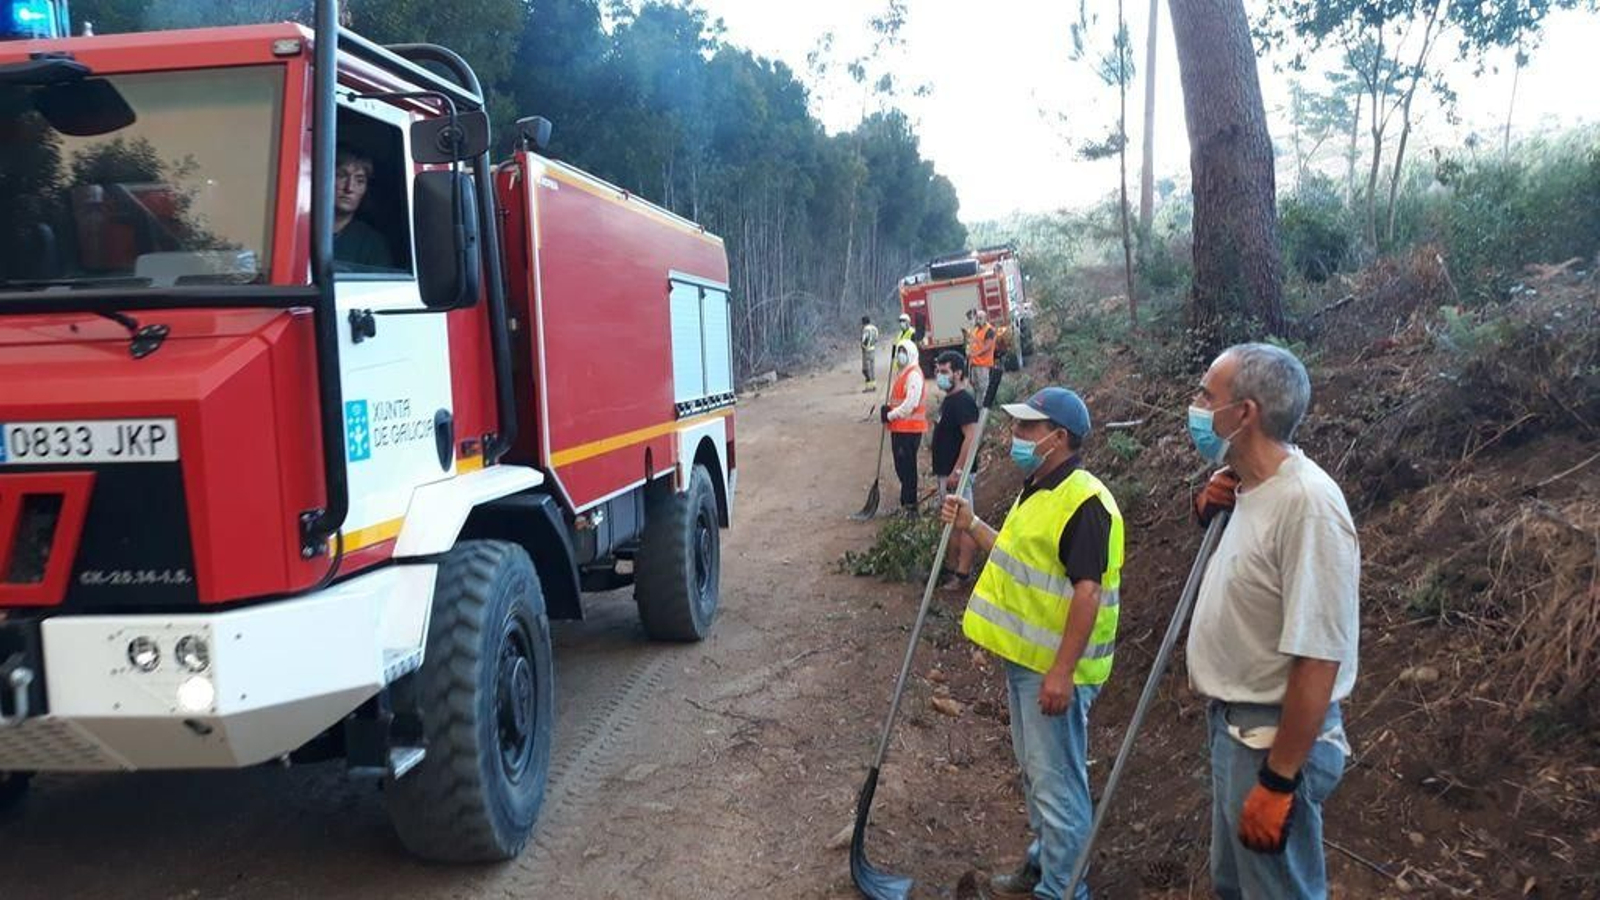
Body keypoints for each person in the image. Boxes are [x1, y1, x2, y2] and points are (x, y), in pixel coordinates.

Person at [1188, 343, 1360, 900]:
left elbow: (1320, 654)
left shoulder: (1309, 506)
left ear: (1245, 414)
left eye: (1206, 396)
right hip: (1234, 729)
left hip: (1269, 739)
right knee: (1235, 885)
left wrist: (1280, 779)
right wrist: (1210, 507)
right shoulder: (1250, 490)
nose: (1194, 406)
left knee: (1276, 891)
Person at [941, 387, 1122, 900]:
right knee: (1037, 775)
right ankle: (1044, 865)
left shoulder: (1084, 502)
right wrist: (971, 525)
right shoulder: (1039, 487)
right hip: (1028, 664)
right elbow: (1020, 560)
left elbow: (1089, 591)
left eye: (1027, 428)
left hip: (1054, 671)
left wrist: (1062, 672)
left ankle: (1063, 889)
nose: (1015, 436)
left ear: (1057, 438)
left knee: (1058, 785)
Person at [930, 351, 980, 586]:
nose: (940, 376)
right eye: (938, 371)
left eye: (944, 372)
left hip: (956, 475)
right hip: (947, 473)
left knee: (963, 522)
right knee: (952, 521)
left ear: (958, 373)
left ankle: (962, 573)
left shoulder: (963, 402)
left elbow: (971, 437)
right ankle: (951, 567)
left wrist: (958, 471)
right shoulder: (950, 400)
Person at [880, 338, 927, 516]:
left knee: (907, 469)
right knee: (901, 467)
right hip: (900, 429)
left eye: (904, 352)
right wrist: (888, 410)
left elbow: (911, 404)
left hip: (909, 430)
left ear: (911, 354)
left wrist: (891, 415)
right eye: (899, 351)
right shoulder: (904, 373)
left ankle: (910, 506)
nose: (901, 355)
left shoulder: (914, 374)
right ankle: (905, 502)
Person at [333, 146, 396, 271]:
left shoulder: (372, 243)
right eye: (341, 176)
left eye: (360, 181)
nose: (349, 188)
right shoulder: (302, 230)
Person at [967, 308, 998, 406]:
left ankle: (984, 409)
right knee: (975, 386)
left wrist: (975, 354)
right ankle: (978, 407)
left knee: (983, 388)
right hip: (974, 363)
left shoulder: (989, 330)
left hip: (983, 364)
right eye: (977, 318)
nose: (978, 320)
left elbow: (987, 347)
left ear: (985, 318)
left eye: (981, 318)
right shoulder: (976, 329)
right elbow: (973, 343)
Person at [860, 315, 881, 393]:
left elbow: (864, 339)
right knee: (872, 369)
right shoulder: (874, 328)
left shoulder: (865, 329)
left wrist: (863, 346)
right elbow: (876, 339)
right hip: (873, 349)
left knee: (866, 370)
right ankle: (873, 385)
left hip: (866, 350)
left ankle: (869, 387)